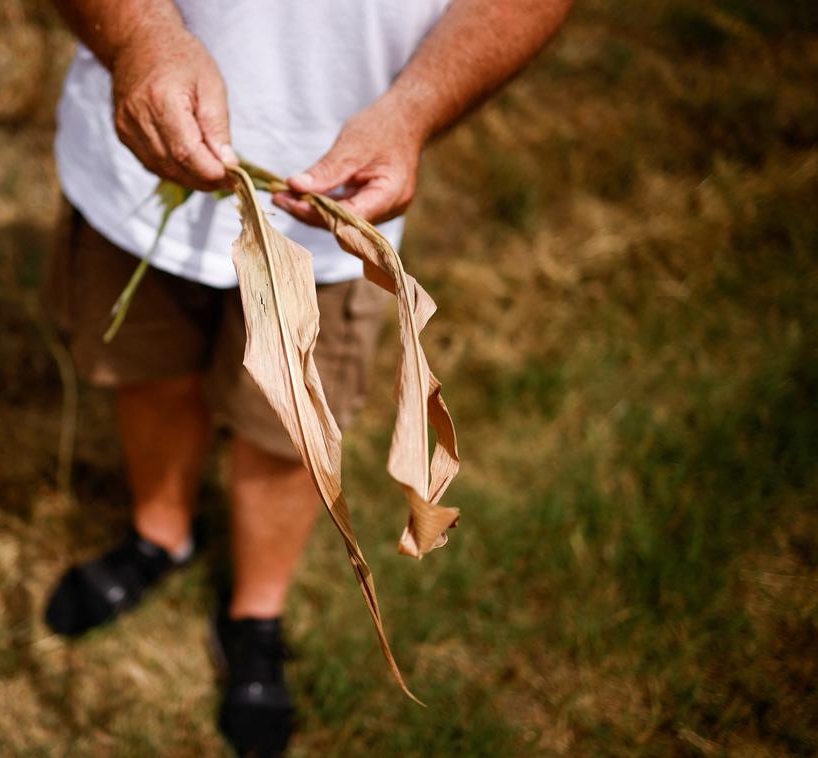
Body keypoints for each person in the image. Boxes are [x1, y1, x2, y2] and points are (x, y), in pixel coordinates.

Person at [42, 1, 573, 754]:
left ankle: (255, 617)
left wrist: (414, 110)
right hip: (135, 166)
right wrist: (136, 35)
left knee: (289, 431)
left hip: (327, 215)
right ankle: (160, 539)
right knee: (149, 373)